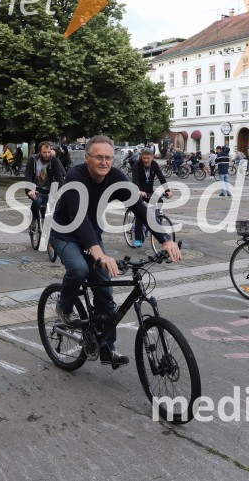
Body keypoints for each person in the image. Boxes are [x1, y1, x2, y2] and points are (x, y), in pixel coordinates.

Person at [51, 135, 181, 367]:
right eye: (99, 157)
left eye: (108, 158)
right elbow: (77, 218)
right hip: (65, 232)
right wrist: (98, 253)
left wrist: (164, 238)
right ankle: (64, 306)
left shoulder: (115, 177)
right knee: (80, 269)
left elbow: (139, 208)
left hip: (92, 233)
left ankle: (107, 348)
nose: (104, 162)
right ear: (88, 157)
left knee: (105, 292)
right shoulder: (75, 177)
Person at [131, 147, 172, 247]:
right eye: (144, 158)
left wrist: (168, 191)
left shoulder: (154, 164)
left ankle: (158, 227)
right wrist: (139, 191)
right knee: (141, 214)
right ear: (141, 157)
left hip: (149, 191)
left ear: (152, 157)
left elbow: (161, 177)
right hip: (138, 191)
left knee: (159, 202)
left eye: (148, 158)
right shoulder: (137, 165)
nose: (145, 160)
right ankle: (137, 239)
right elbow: (135, 179)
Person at [25, 141, 66, 231]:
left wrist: (61, 191)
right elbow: (28, 176)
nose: (47, 155)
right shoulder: (33, 160)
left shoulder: (54, 161)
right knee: (38, 201)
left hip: (49, 189)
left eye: (48, 152)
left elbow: (60, 178)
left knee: (54, 207)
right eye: (44, 152)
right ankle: (33, 218)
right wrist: (29, 190)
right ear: (39, 152)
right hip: (36, 189)